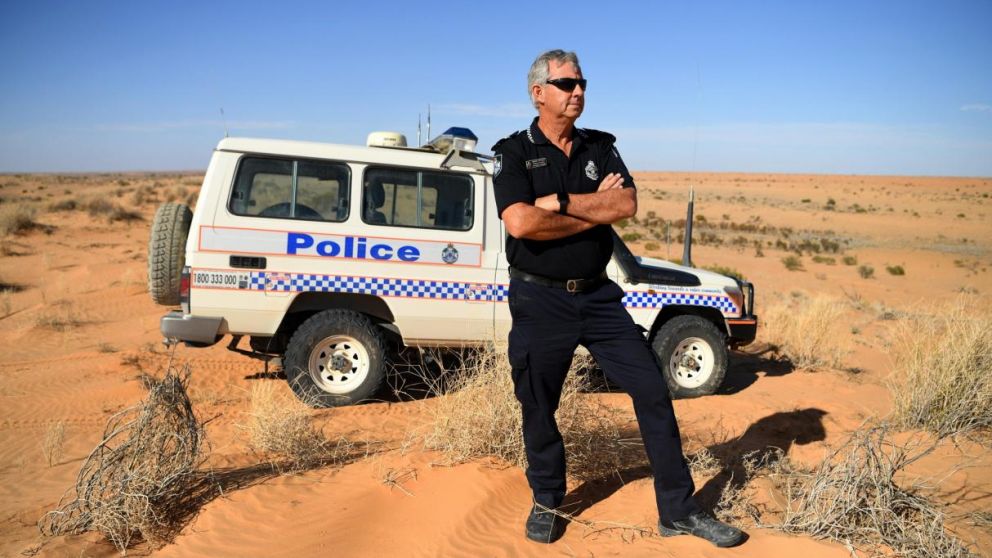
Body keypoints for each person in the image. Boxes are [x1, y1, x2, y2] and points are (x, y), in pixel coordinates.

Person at [491, 49, 745, 548]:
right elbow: (520, 222)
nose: (578, 92)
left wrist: (561, 203)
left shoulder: (600, 147)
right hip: (540, 300)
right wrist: (594, 210)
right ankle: (547, 500)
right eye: (566, 84)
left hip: (600, 298)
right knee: (539, 405)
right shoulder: (515, 151)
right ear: (538, 92)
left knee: (652, 390)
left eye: (582, 83)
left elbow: (626, 204)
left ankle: (678, 510)